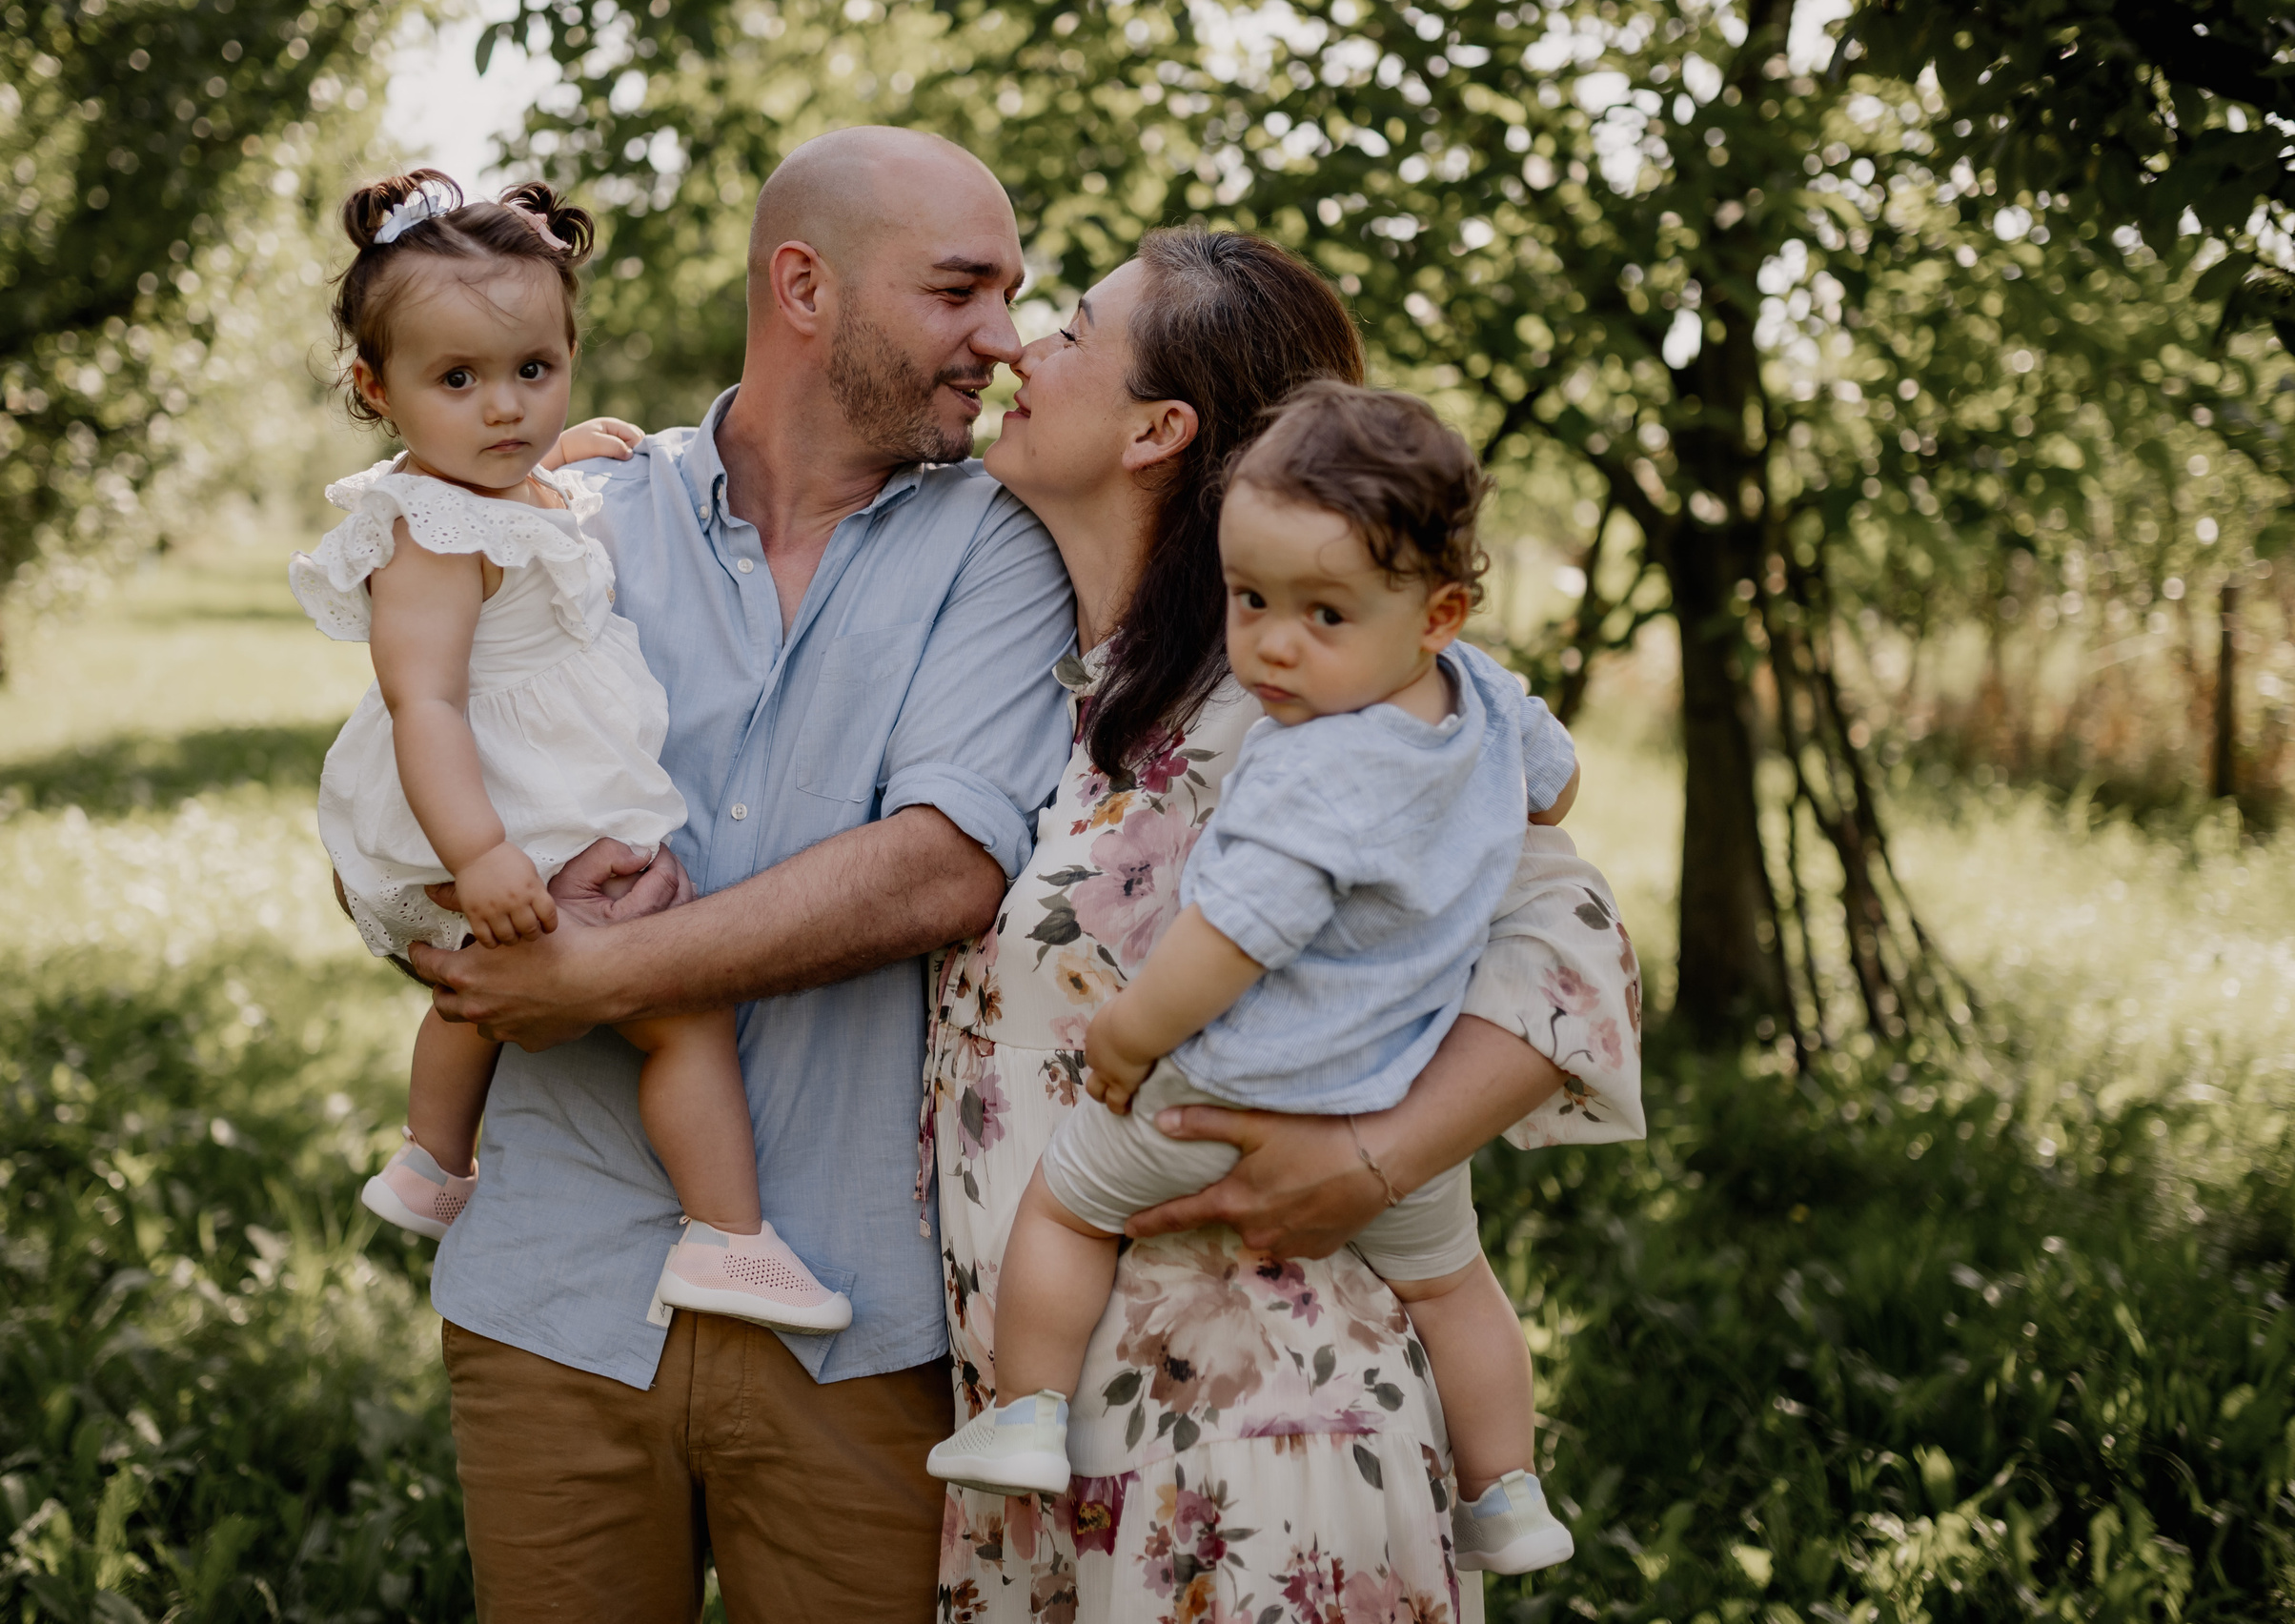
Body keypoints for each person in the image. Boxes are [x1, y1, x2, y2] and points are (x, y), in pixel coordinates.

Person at [398, 129, 1076, 1622]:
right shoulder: (571, 516)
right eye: (962, 291)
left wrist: (588, 974)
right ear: (804, 286)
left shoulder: (1004, 550)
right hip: (557, 1300)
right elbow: (404, 784)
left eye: (1012, 296)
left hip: (859, 1320)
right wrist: (433, 914)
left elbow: (937, 872)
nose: (1005, 340)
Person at [924, 227, 1645, 1621]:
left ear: (1159, 430)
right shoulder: (1075, 683)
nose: (1019, 347)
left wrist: (1383, 1158)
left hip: (1255, 1433)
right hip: (1050, 1435)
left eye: (1066, 329)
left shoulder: (1327, 698)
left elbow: (1579, 948)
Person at [291, 169, 846, 1334]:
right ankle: (728, 1239)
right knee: (673, 1004)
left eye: (533, 373)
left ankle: (433, 1164)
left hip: (528, 798)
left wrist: (569, 452)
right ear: (374, 389)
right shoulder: (430, 535)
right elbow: (423, 701)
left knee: (475, 992)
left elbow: (539, 486)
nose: (505, 411)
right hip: (488, 802)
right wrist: (481, 849)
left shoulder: (514, 485)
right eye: (459, 380)